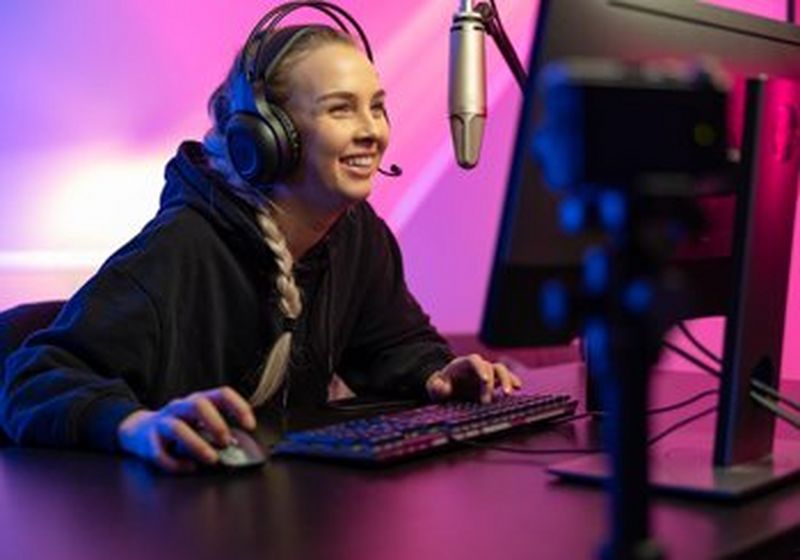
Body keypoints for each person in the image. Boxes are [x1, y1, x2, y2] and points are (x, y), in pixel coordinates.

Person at [0, 3, 521, 473]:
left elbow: (392, 344)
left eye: (376, 106)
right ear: (269, 139)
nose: (373, 131)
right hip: (162, 525)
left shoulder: (358, 235)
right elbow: (36, 375)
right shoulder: (184, 246)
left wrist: (437, 373)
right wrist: (133, 424)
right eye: (341, 109)